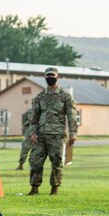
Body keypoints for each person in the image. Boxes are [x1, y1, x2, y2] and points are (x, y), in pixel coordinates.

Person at [28, 67, 78, 195]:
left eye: (52, 75)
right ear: (45, 77)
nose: (50, 77)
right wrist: (32, 132)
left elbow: (71, 115)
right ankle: (34, 188)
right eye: (48, 76)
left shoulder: (65, 96)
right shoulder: (40, 96)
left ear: (57, 77)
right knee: (35, 161)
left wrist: (73, 133)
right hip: (40, 135)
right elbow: (34, 117)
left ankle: (54, 188)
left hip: (57, 134)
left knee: (57, 162)